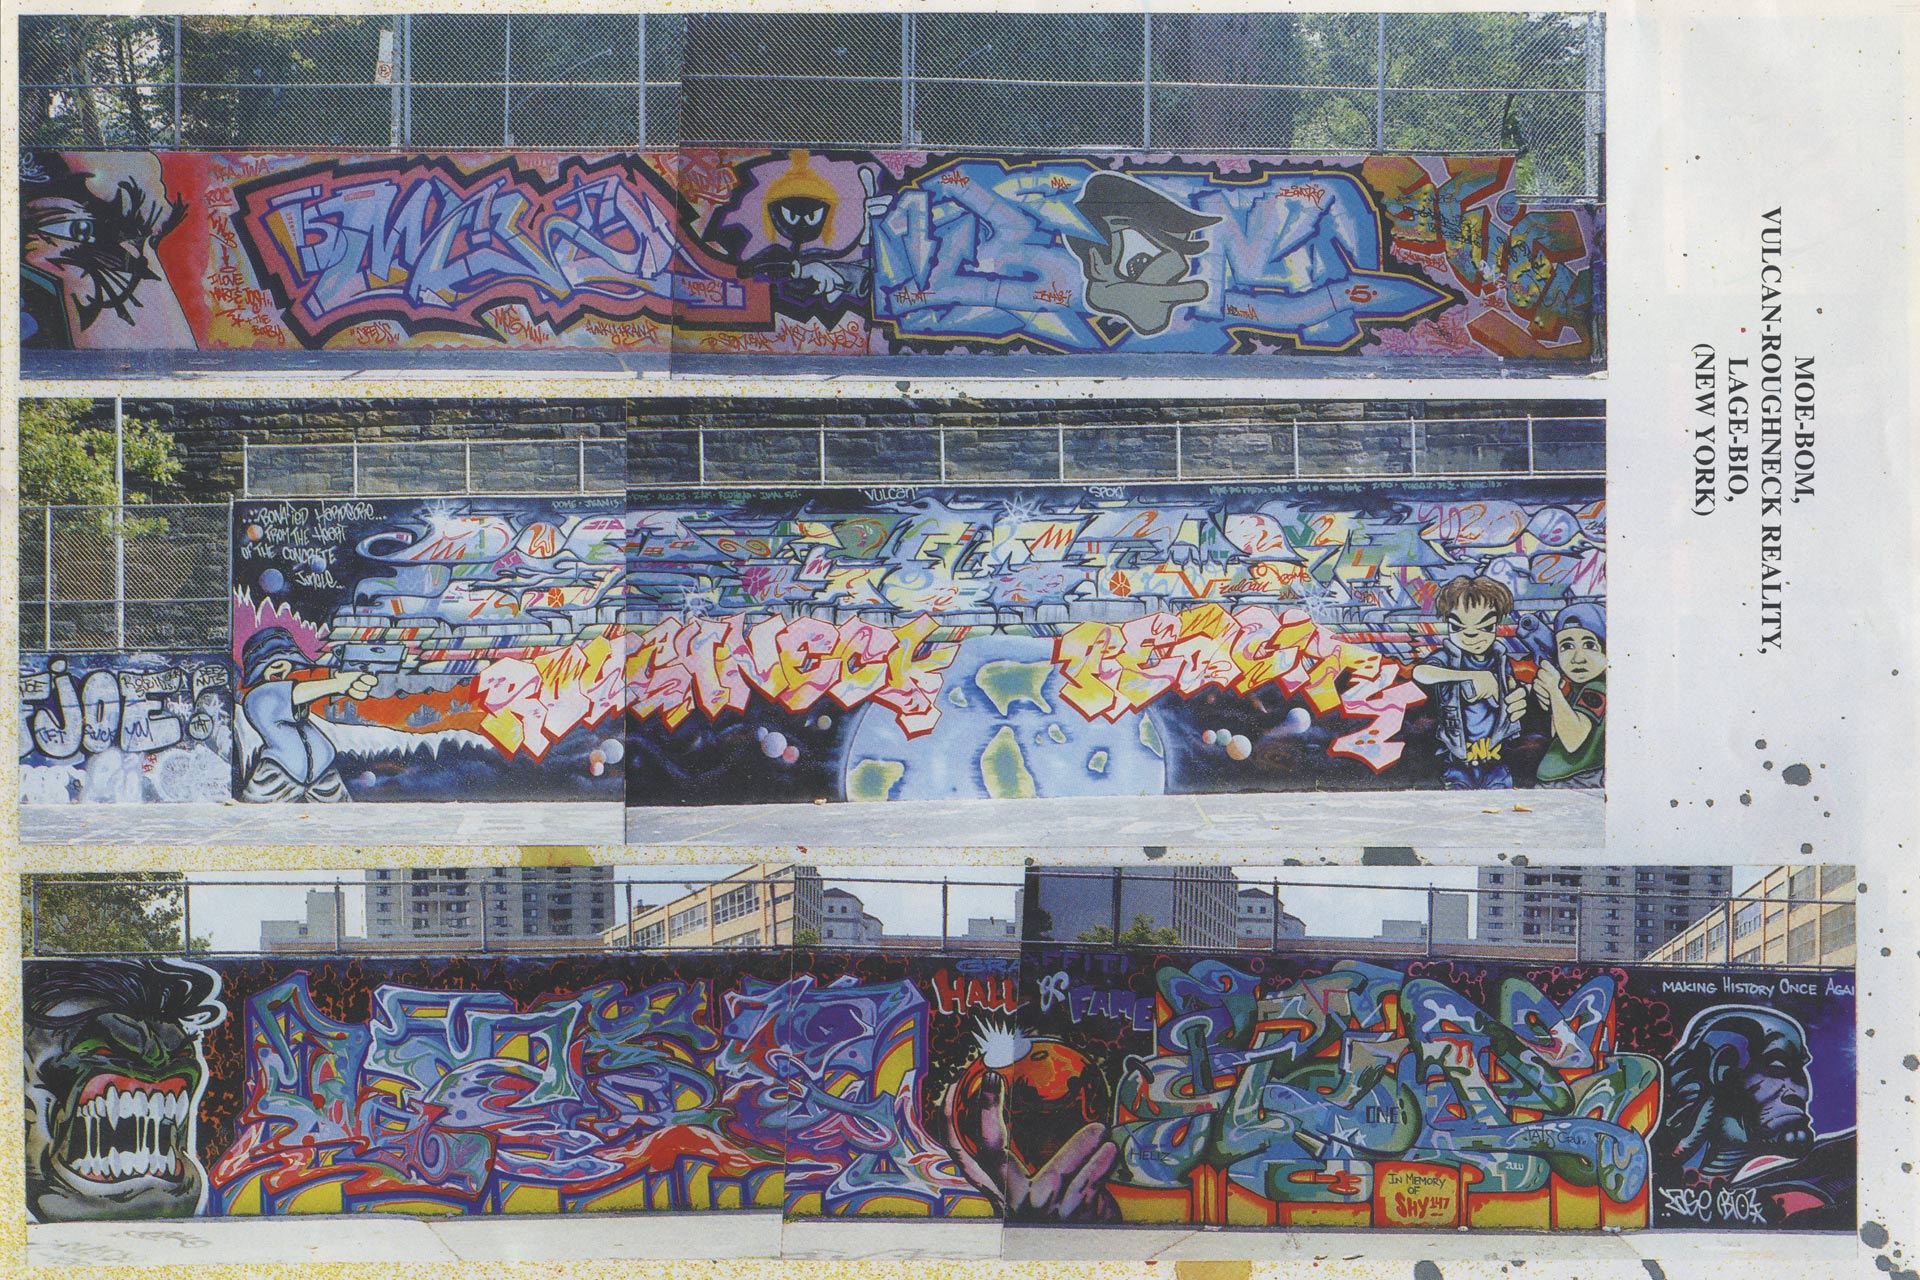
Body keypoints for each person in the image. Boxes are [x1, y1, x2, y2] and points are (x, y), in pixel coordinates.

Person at [1411, 575, 1530, 789]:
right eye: (1459, 628)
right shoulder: (1449, 656)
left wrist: (1517, 696)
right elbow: (1422, 672)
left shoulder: (1500, 658)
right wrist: (1472, 676)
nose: (1472, 636)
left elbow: (1509, 689)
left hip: (1496, 754)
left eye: (1485, 627)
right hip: (1457, 756)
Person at [236, 627, 375, 802]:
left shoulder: (292, 692)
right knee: (255, 815)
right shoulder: (257, 697)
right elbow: (296, 692)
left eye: (285, 660)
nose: (280, 666)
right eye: (270, 662)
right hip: (280, 776)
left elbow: (304, 694)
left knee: (344, 815)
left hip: (323, 775)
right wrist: (339, 684)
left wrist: (350, 685)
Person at [1532, 602, 1606, 787]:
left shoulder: (1597, 689)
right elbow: (1556, 734)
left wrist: (1554, 691)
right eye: (1566, 646)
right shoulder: (1576, 688)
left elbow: (1572, 741)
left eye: (1589, 645)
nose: (1578, 658)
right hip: (1565, 779)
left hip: (1578, 781)